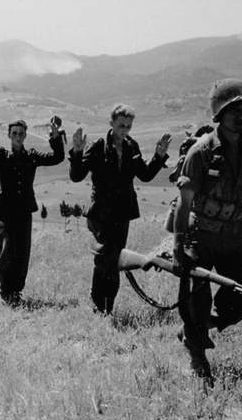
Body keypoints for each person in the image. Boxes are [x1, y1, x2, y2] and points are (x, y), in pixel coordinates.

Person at [173, 79, 242, 385]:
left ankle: (196, 328)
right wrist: (178, 247)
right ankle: (197, 356)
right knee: (197, 295)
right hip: (202, 236)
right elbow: (184, 205)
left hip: (236, 236)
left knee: (240, 299)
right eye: (235, 108)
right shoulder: (201, 152)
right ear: (219, 113)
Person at [69, 104, 172, 314]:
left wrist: (159, 156)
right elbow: (76, 175)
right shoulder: (98, 146)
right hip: (100, 213)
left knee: (115, 260)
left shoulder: (132, 147)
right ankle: (100, 304)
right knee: (106, 257)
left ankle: (106, 306)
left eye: (128, 126)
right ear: (111, 124)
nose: (124, 130)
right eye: (121, 125)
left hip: (122, 213)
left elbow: (145, 175)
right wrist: (78, 152)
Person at [0, 112, 65, 305]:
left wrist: (55, 136)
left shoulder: (32, 156)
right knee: (7, 250)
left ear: (25, 135)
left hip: (24, 210)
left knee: (22, 253)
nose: (17, 137)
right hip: (4, 211)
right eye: (14, 133)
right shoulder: (0, 155)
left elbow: (57, 158)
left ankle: (16, 291)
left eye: (21, 133)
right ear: (8, 135)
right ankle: (6, 291)